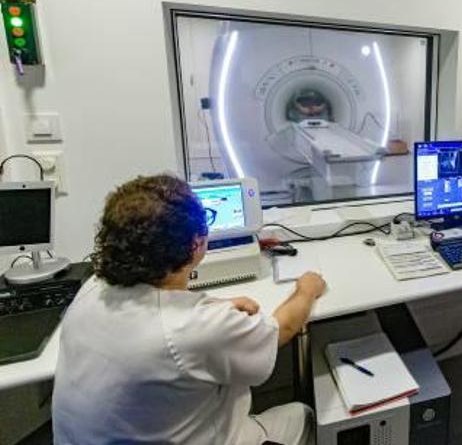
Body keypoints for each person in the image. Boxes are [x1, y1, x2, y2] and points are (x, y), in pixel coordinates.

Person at [52, 175, 326, 445]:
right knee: (304, 415)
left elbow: (164, 315)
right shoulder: (194, 329)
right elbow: (282, 328)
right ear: (196, 244)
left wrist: (217, 309)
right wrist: (307, 289)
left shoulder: (93, 287)